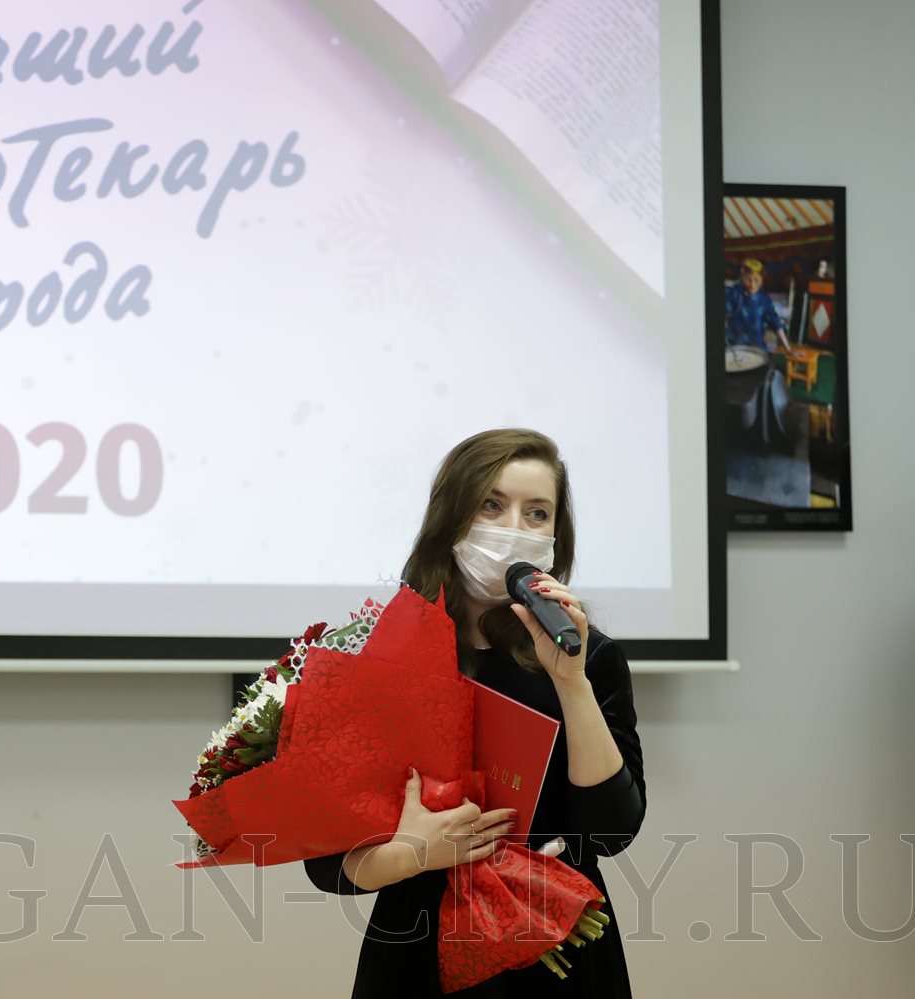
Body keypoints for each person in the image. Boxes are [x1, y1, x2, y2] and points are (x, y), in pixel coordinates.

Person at [304, 428, 646, 997]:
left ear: (556, 536)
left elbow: (610, 833)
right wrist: (414, 853)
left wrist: (571, 683)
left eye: (537, 513)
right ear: (452, 517)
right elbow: (326, 862)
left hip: (556, 943)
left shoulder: (588, 656)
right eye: (492, 505)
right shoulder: (385, 655)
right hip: (418, 943)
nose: (514, 528)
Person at [725, 258, 793, 352]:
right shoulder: (733, 293)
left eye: (756, 280)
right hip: (735, 348)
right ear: (742, 278)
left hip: (757, 348)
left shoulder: (764, 299)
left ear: (762, 279)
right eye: (748, 280)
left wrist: (788, 349)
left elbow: (775, 323)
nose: (752, 285)